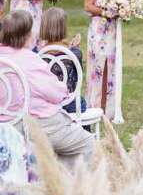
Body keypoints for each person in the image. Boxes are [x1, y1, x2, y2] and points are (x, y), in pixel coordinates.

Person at [0, 11, 95, 168]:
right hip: (33, 125)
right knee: (88, 143)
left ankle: (46, 178)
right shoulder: (29, 59)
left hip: (4, 126)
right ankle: (71, 187)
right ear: (26, 35)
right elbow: (56, 94)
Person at [85, 0, 117, 116]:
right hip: (99, 31)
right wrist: (107, 11)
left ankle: (105, 107)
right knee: (98, 67)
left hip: (110, 30)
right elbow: (87, 6)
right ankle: (94, 106)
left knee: (108, 67)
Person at [39, 7, 88, 116]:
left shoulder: (38, 53)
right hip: (69, 104)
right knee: (82, 103)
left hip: (46, 103)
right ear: (64, 28)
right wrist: (75, 49)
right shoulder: (74, 53)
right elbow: (78, 76)